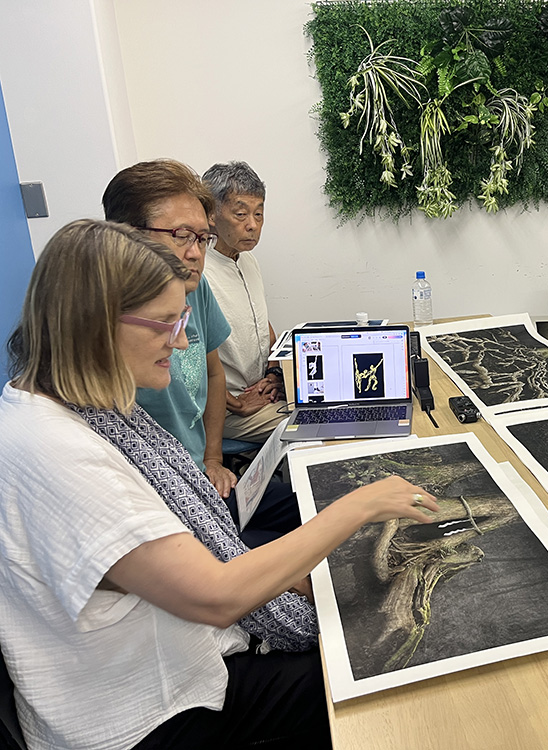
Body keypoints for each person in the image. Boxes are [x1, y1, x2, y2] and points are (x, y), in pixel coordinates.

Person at [0, 219, 438, 749]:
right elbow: (218, 596)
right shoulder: (61, 455)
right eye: (166, 323)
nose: (182, 340)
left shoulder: (52, 404)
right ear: (94, 325)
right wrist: (358, 506)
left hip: (164, 667)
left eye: (182, 318)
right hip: (150, 718)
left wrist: (296, 574)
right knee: (397, 678)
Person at [102, 159, 236, 498]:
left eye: (203, 239)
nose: (195, 253)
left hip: (197, 476)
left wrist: (212, 458)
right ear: (127, 235)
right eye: (182, 236)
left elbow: (214, 373)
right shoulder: (105, 318)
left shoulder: (197, 287)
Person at [201, 161, 286, 442]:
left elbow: (262, 325)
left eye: (258, 214)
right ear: (211, 215)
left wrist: (274, 374)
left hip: (261, 391)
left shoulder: (248, 260)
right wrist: (235, 404)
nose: (252, 225)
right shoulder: (199, 272)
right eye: (241, 214)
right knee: (307, 424)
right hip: (227, 408)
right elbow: (190, 364)